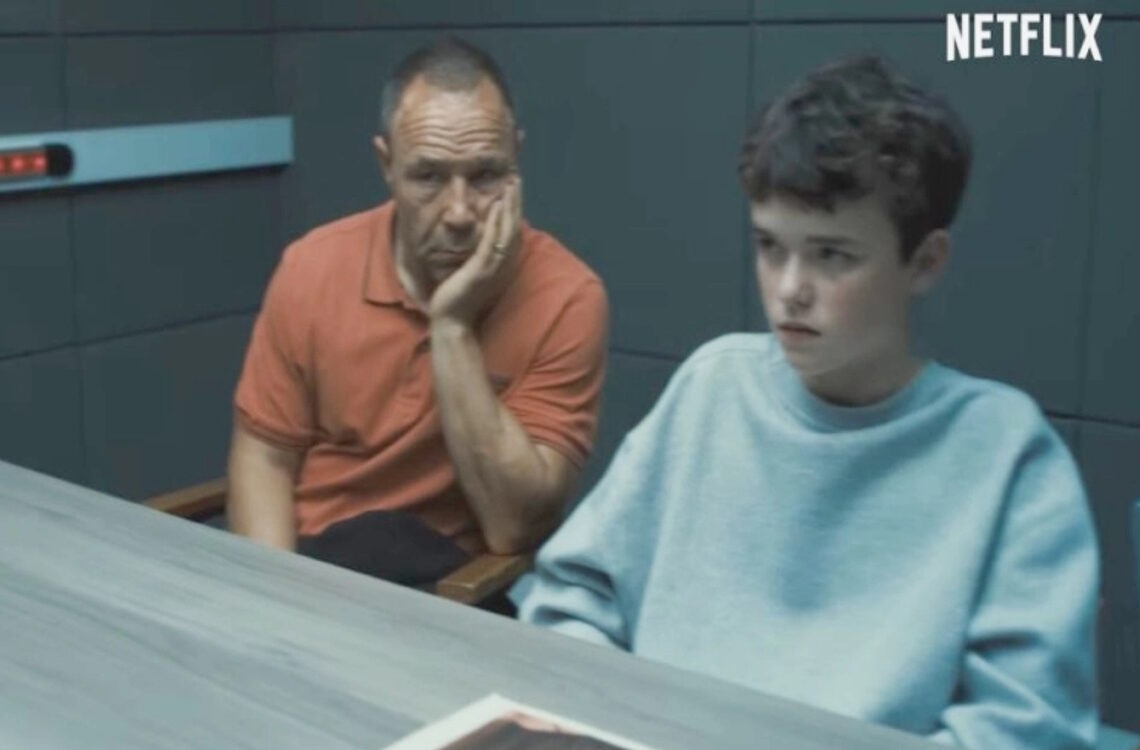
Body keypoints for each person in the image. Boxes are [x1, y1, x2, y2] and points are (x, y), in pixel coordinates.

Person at [518, 56, 1099, 748]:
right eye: (770, 246)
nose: (789, 289)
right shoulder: (712, 388)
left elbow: (1027, 730)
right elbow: (573, 599)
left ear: (924, 262)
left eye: (832, 255)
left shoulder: (1008, 456)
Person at [227, 36, 608, 600]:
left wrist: (452, 326)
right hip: (311, 568)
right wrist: (278, 603)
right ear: (387, 165)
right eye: (428, 176)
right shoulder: (312, 267)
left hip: (448, 591)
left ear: (517, 160)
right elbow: (265, 458)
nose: (459, 213)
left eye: (485, 175)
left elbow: (513, 525)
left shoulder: (568, 296)